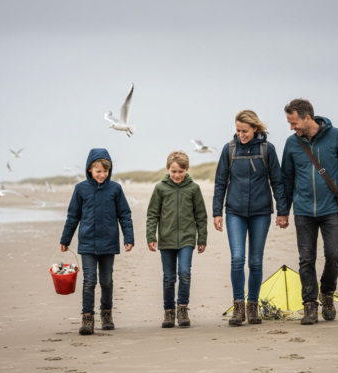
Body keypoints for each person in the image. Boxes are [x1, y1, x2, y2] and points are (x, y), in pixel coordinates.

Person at [281, 98, 338, 325]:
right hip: (303, 210)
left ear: (307, 117)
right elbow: (286, 180)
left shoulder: (337, 136)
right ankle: (309, 304)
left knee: (334, 255)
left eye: (294, 122)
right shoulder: (291, 144)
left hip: (332, 209)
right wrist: (283, 210)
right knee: (306, 259)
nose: (291, 128)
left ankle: (327, 294)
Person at [212, 110, 288, 327]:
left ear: (255, 129)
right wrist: (217, 212)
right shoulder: (229, 149)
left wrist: (282, 212)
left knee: (255, 261)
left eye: (244, 131)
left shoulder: (267, 149)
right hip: (234, 212)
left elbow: (278, 182)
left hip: (261, 212)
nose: (241, 134)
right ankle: (238, 308)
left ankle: (252, 307)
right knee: (237, 259)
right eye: (237, 130)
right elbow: (220, 183)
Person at [60, 148, 134, 335]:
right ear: (90, 170)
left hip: (109, 243)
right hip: (87, 244)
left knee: (107, 282)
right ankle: (87, 318)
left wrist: (129, 237)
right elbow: (73, 216)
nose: (102, 174)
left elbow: (124, 214)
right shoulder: (81, 189)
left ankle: (106, 314)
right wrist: (65, 239)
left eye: (105, 171)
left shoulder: (115, 189)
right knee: (89, 281)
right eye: (98, 171)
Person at [146, 150, 208, 328]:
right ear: (167, 169)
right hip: (166, 239)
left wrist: (202, 239)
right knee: (169, 277)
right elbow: (152, 215)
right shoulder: (160, 188)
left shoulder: (194, 189)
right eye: (173, 171)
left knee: (184, 273)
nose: (177, 175)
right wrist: (151, 236)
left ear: (187, 169)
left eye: (181, 171)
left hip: (187, 240)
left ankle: (182, 308)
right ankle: (168, 312)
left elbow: (201, 216)